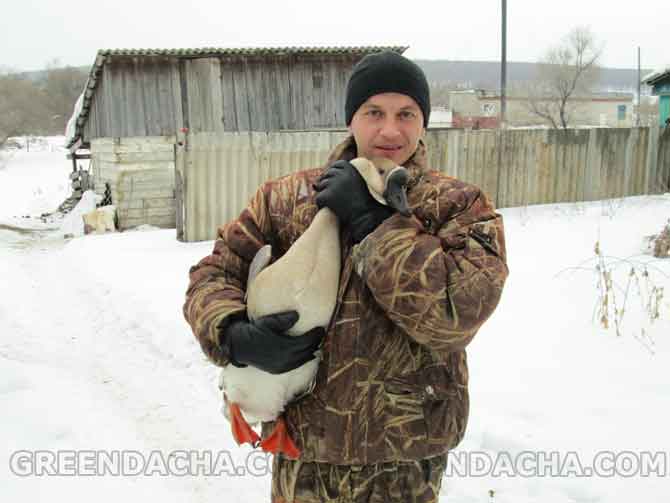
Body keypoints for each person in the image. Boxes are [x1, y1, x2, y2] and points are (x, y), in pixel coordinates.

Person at [184, 51, 508, 503]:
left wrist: (375, 224)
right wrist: (233, 333)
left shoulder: (458, 206)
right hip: (304, 456)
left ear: (423, 122)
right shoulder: (286, 198)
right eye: (374, 112)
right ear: (351, 119)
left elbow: (454, 315)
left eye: (406, 114)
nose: (390, 130)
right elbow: (215, 272)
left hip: (406, 462)